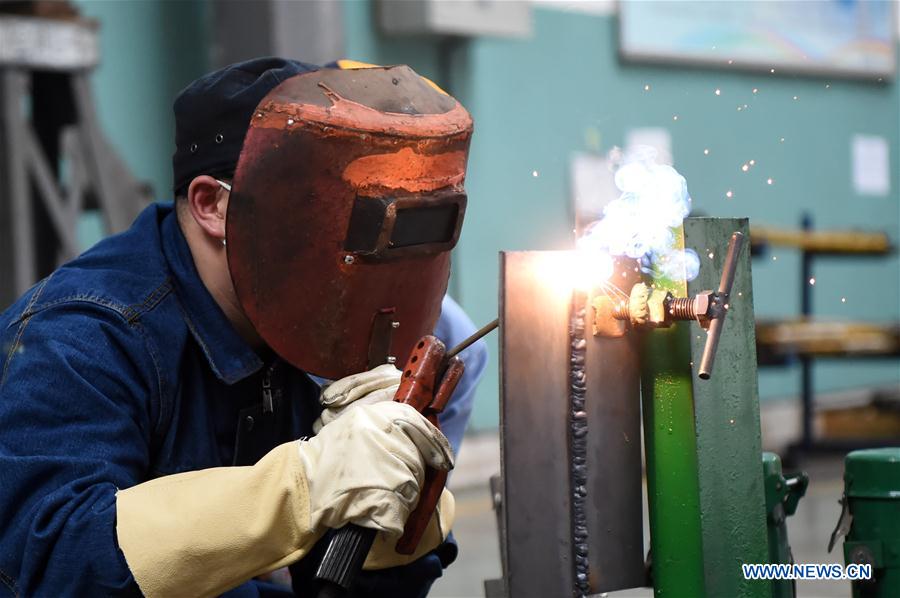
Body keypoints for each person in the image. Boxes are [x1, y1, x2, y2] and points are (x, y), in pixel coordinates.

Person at [0, 57, 486, 597]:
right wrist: (302, 487)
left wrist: (393, 530)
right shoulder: (84, 337)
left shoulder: (300, 329)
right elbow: (52, 563)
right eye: (323, 213)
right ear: (212, 205)